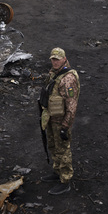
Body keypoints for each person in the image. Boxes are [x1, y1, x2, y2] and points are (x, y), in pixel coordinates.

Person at [38, 47, 80, 195]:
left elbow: (71, 105)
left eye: (57, 59)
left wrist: (65, 126)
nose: (54, 62)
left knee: (63, 150)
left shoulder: (68, 79)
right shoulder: (54, 74)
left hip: (60, 121)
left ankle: (65, 180)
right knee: (53, 146)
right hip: (50, 118)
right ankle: (57, 172)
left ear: (64, 59)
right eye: (52, 59)